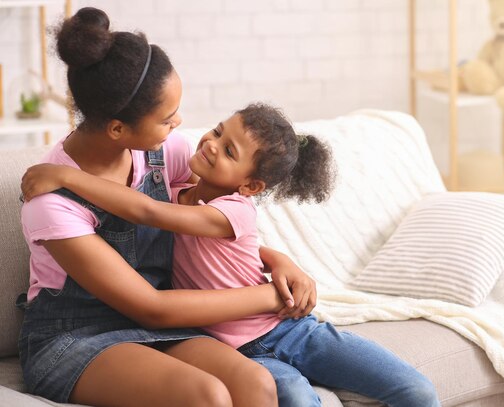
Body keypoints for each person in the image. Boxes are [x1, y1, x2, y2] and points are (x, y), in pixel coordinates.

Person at [22, 102, 441, 407]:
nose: (210, 144)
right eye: (219, 132)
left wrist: (64, 177)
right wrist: (277, 259)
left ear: (251, 187)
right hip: (226, 346)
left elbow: (145, 210)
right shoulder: (175, 190)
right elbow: (151, 212)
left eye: (228, 152)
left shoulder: (230, 211)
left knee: (415, 390)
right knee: (293, 395)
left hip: (285, 328)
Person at [16, 7, 318, 407]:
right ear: (118, 128)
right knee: (206, 395)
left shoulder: (162, 154)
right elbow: (152, 307)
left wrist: (277, 260)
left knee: (256, 384)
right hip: (73, 337)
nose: (179, 124)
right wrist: (271, 297)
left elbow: (209, 222)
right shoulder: (52, 203)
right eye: (166, 118)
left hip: (156, 325)